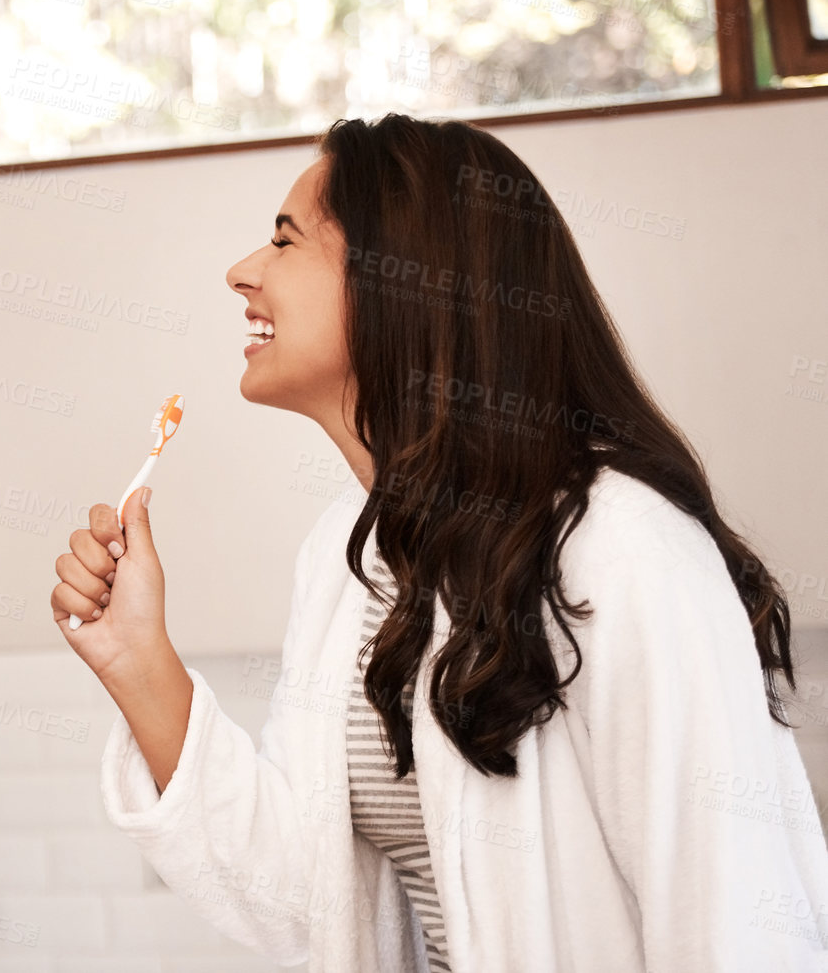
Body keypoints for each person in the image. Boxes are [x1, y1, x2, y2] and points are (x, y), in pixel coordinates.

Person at [50, 113, 828, 971]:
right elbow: (305, 902)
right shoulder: (349, 560)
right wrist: (138, 660)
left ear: (402, 281)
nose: (241, 272)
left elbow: (735, 916)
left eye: (283, 241)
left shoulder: (619, 546)